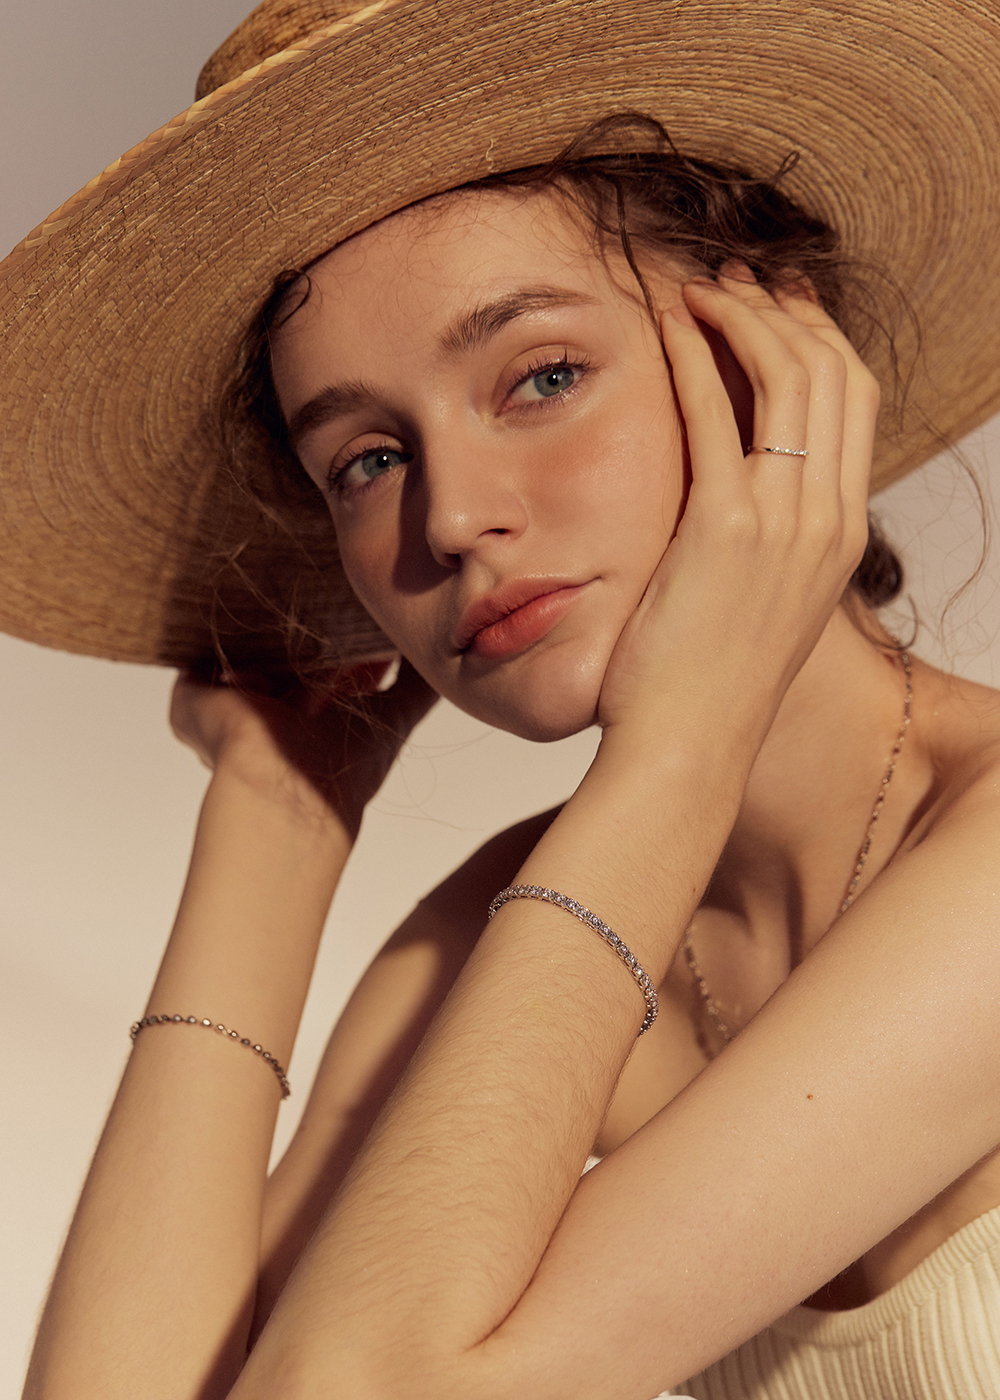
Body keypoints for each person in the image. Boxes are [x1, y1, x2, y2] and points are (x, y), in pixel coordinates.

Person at [6, 2, 1000, 1397]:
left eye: (541, 376)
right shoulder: (496, 931)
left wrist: (679, 747)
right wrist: (275, 820)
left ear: (775, 357)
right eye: (365, 460)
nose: (453, 515)